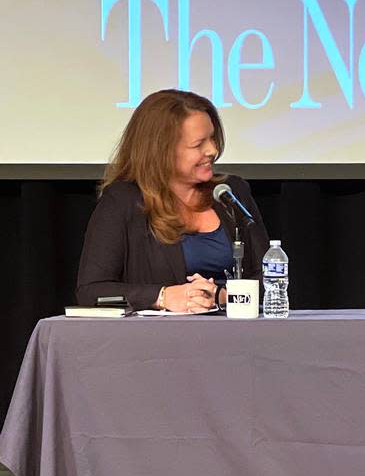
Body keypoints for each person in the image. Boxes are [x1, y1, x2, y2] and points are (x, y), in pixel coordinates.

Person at [76, 89, 269, 312]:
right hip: (158, 341)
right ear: (162, 151)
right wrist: (163, 297)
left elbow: (271, 277)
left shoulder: (231, 192)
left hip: (234, 336)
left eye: (212, 138)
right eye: (198, 144)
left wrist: (222, 296)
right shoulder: (122, 201)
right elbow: (91, 291)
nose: (213, 150)